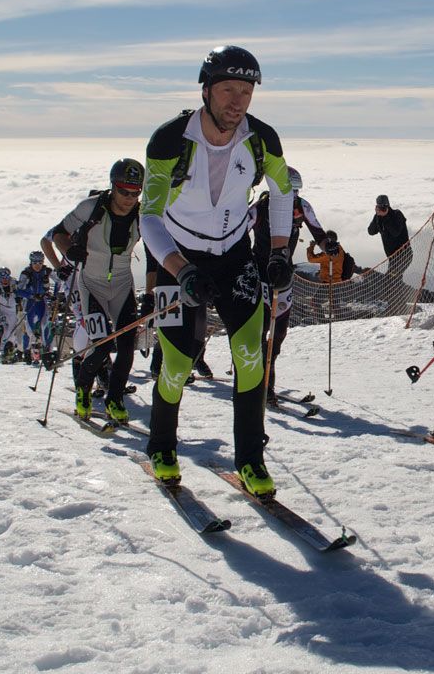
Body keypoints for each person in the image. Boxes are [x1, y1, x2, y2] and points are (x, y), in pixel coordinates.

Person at [140, 44, 296, 496]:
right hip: (178, 259)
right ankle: (162, 445)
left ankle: (250, 460)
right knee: (177, 362)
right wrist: (180, 268)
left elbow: (283, 190)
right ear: (206, 90)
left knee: (250, 358)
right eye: (229, 89)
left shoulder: (263, 139)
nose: (238, 101)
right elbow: (149, 216)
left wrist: (280, 252)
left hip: (234, 257)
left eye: (246, 91)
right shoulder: (170, 140)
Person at [50, 159, 145, 421]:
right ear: (112, 186)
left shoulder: (143, 213)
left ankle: (114, 398)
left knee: (127, 347)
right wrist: (69, 250)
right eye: (124, 190)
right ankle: (83, 390)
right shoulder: (90, 208)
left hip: (123, 284)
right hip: (91, 284)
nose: (129, 198)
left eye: (135, 192)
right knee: (102, 345)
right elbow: (59, 232)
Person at [252, 166, 327, 402]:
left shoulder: (301, 207)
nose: (292, 195)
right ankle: (261, 385)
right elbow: (237, 232)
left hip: (285, 275)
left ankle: (267, 380)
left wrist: (329, 246)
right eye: (288, 190)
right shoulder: (261, 208)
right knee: (261, 331)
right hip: (259, 274)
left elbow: (318, 232)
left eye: (296, 190)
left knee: (279, 333)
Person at [15, 251, 56, 363]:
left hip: (42, 301)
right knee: (30, 328)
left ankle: (47, 350)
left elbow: (60, 280)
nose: (37, 265)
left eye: (40, 262)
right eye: (35, 262)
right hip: (30, 302)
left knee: (45, 325)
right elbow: (18, 291)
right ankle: (28, 351)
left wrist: (56, 295)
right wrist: (31, 295)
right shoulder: (26, 273)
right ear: (31, 262)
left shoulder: (47, 271)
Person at [368, 194, 411, 279]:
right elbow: (371, 231)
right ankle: (401, 291)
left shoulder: (397, 214)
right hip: (392, 258)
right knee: (393, 281)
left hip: (404, 255)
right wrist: (377, 216)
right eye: (380, 206)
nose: (382, 209)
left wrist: (385, 217)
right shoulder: (378, 217)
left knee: (390, 280)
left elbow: (396, 232)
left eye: (384, 206)